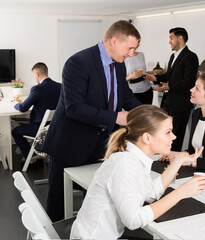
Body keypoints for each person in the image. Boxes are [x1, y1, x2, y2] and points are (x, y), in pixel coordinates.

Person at [42, 20, 142, 222]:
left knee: (98, 198)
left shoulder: (120, 65)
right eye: (130, 48)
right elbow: (74, 108)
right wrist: (117, 117)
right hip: (69, 142)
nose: (132, 54)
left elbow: (125, 96)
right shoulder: (78, 63)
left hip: (102, 143)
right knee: (58, 204)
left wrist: (150, 114)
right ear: (114, 41)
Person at [70, 105, 205, 240]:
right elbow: (133, 220)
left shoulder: (135, 159)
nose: (174, 137)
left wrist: (178, 161)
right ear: (147, 138)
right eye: (168, 132)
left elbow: (150, 194)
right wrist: (180, 193)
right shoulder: (125, 165)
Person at [146, 27, 199, 151]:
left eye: (171, 38)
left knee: (176, 136)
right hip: (169, 102)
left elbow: (188, 81)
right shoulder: (172, 56)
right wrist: (155, 78)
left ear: (180, 38)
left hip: (182, 104)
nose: (169, 41)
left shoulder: (191, 56)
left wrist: (169, 86)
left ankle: (173, 162)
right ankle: (164, 158)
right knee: (163, 132)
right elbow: (169, 76)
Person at [12, 62, 61, 166]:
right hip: (57, 128)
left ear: (37, 74)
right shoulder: (60, 87)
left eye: (33, 75)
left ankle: (32, 159)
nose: (34, 78)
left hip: (41, 130)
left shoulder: (37, 89)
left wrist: (16, 103)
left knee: (15, 131)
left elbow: (22, 108)